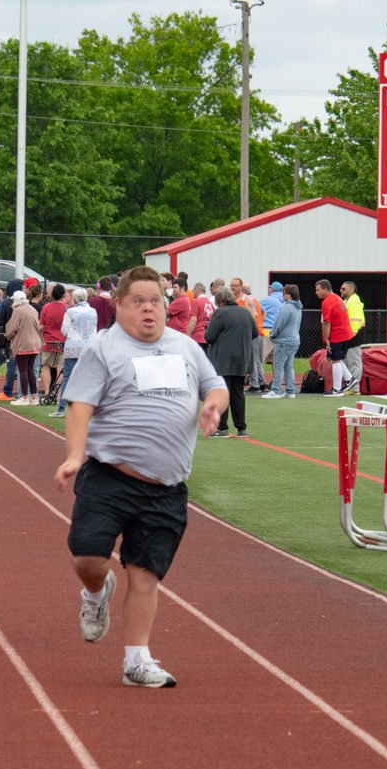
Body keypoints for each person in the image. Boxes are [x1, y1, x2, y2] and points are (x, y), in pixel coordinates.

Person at [53, 265, 228, 688]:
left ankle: (137, 660)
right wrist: (74, 456)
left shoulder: (185, 347)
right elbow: (79, 406)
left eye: (156, 302)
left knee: (146, 574)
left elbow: (215, 385)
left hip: (165, 487)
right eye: (139, 302)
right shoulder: (104, 347)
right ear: (119, 306)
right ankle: (95, 592)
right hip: (110, 476)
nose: (149, 310)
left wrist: (214, 406)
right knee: (88, 556)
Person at [205, 287, 257, 437]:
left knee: (223, 392)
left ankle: (222, 427)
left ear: (220, 301)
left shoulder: (220, 313)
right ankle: (241, 428)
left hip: (223, 359)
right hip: (242, 358)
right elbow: (254, 333)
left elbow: (209, 336)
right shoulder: (246, 312)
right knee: (238, 393)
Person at [50, 288, 99, 419]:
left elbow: (65, 330)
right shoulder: (93, 311)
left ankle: (61, 408)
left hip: (73, 347)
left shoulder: (70, 311)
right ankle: (88, 407)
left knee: (67, 377)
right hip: (89, 348)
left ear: (75, 299)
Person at [314, 279, 355, 396]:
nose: (316, 292)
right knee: (334, 358)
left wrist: (326, 339)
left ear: (325, 289)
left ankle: (337, 389)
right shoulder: (336, 298)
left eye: (318, 290)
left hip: (338, 334)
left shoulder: (327, 302)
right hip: (345, 333)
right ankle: (349, 379)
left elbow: (326, 322)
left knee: (335, 360)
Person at [5, 288, 43, 406]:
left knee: (22, 371)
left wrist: (7, 335)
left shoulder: (18, 311)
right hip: (35, 343)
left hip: (23, 344)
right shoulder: (32, 309)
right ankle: (33, 397)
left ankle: (24, 397)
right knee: (30, 370)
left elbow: (12, 329)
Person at [266, 283, 301, 399]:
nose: (282, 295)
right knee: (289, 367)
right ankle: (290, 391)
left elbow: (278, 323)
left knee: (279, 366)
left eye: (284, 293)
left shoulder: (286, 307)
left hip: (284, 341)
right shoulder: (298, 307)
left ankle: (275, 390)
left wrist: (272, 334)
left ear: (289, 295)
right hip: (294, 340)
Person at [39, 284, 68, 396]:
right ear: (63, 295)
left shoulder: (46, 307)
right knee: (60, 368)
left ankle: (47, 392)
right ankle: (59, 394)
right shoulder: (66, 308)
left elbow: (41, 324)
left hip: (48, 340)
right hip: (63, 341)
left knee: (46, 366)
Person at [340, 281, 366, 394]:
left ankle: (354, 388)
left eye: (343, 289)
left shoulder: (353, 302)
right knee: (347, 361)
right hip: (348, 335)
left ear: (351, 290)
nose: (341, 290)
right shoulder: (348, 301)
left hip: (352, 335)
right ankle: (350, 387)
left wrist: (352, 334)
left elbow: (355, 320)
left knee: (354, 362)